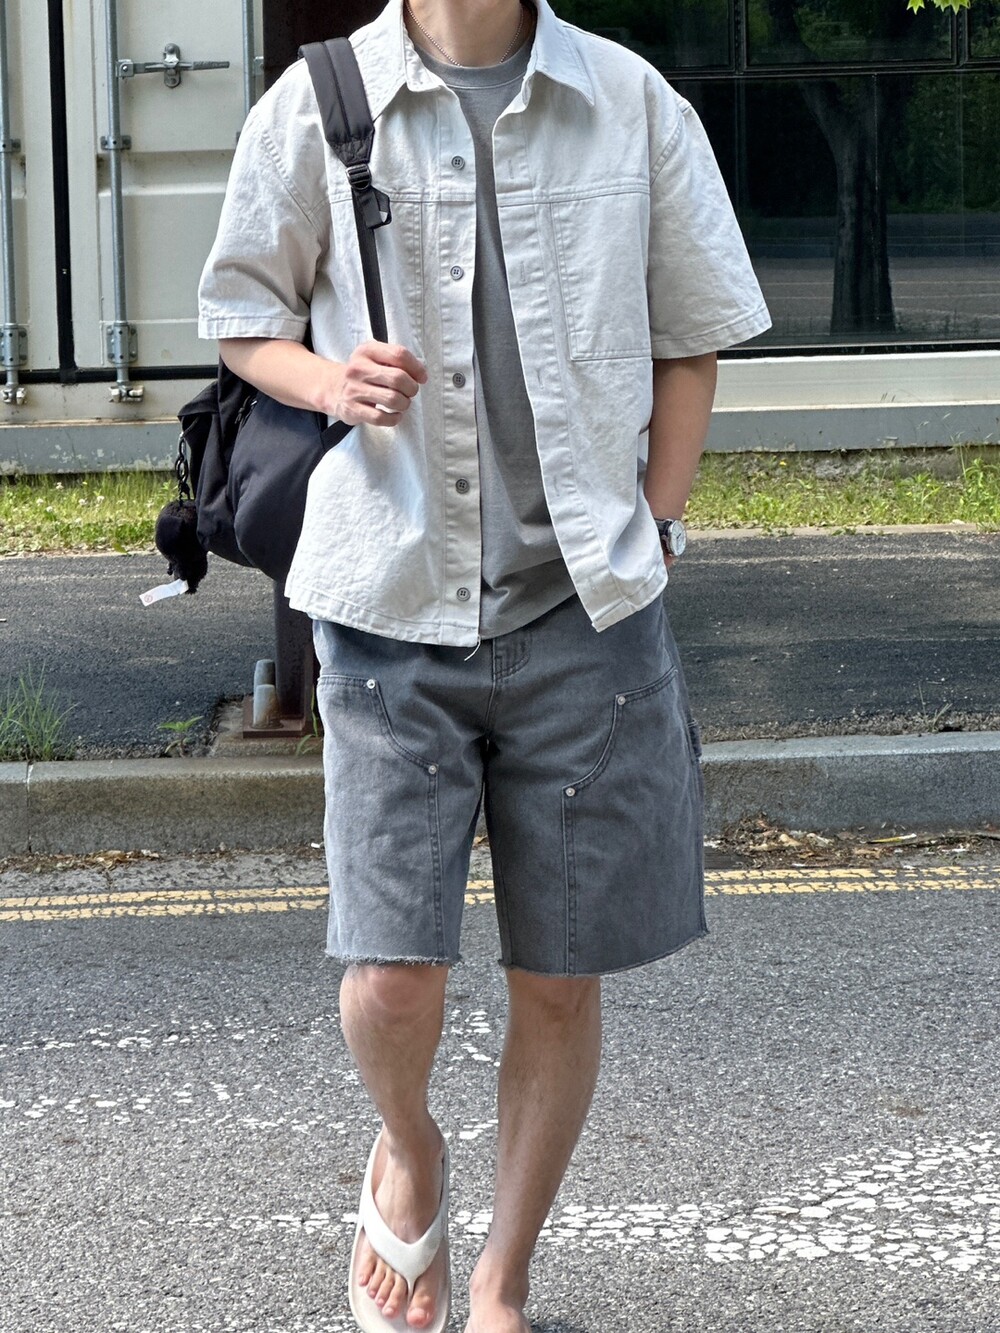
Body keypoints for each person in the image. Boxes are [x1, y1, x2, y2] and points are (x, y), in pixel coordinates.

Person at [199, 1, 770, 1328]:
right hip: (391, 603)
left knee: (559, 976)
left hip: (585, 611)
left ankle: (504, 1278)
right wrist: (331, 382)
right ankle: (409, 1143)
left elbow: (692, 333)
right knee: (391, 973)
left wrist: (658, 523)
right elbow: (241, 317)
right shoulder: (317, 102)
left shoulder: (628, 101)